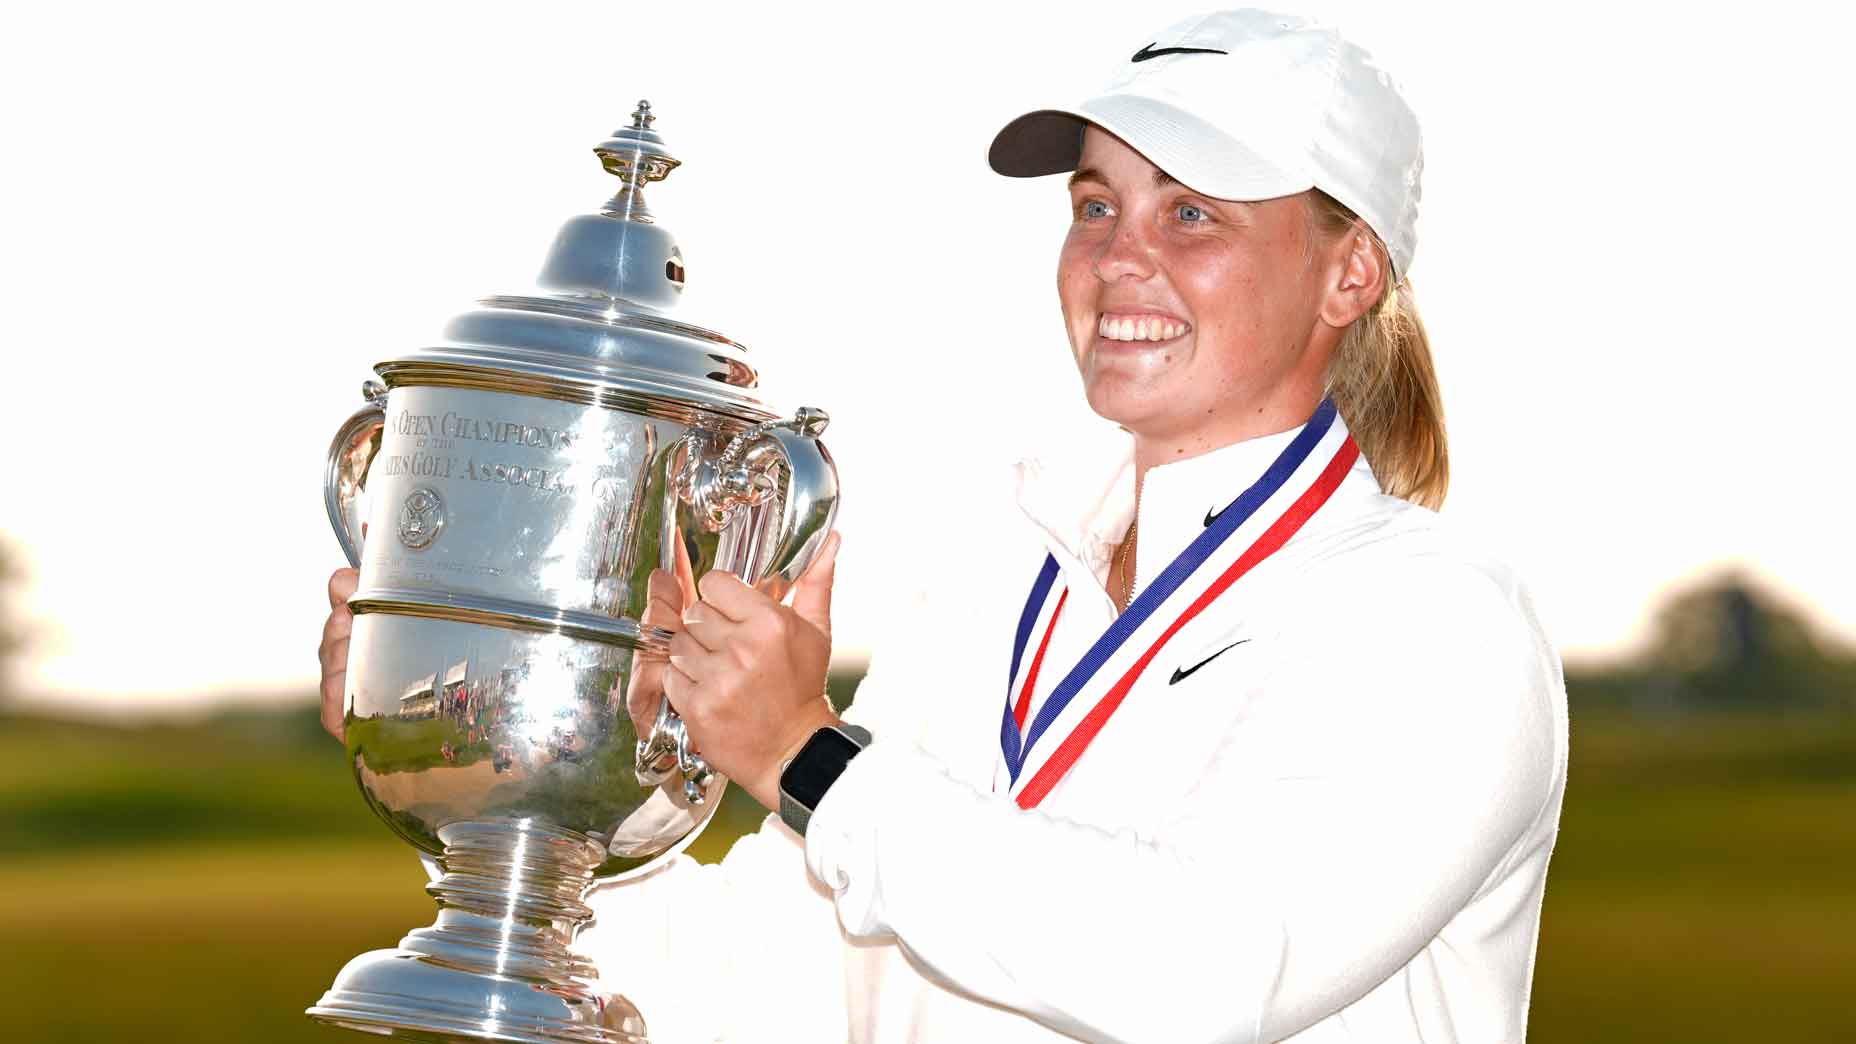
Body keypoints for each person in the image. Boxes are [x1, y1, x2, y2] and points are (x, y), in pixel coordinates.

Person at [319, 10, 1567, 1042]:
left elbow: (1214, 971)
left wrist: (801, 757)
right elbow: (778, 976)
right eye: (1093, 207)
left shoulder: (1438, 618)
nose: (1117, 259)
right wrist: (481, 764)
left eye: (1190, 214)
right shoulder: (1001, 585)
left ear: (1348, 273)